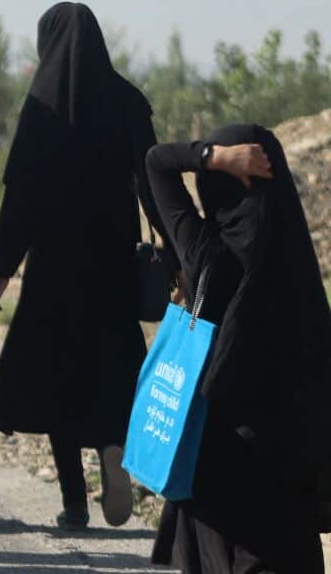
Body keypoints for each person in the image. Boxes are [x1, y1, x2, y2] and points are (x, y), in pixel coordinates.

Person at [0, 2, 174, 530]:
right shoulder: (128, 101)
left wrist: (0, 273)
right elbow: (154, 181)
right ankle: (112, 446)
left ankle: (73, 502)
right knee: (110, 366)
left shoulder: (42, 106)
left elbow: (20, 198)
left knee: (58, 377)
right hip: (111, 263)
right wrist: (178, 254)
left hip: (52, 271)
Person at [145, 125, 331, 572]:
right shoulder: (300, 275)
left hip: (214, 462)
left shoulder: (206, 251)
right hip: (287, 474)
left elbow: (155, 162)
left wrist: (212, 156)